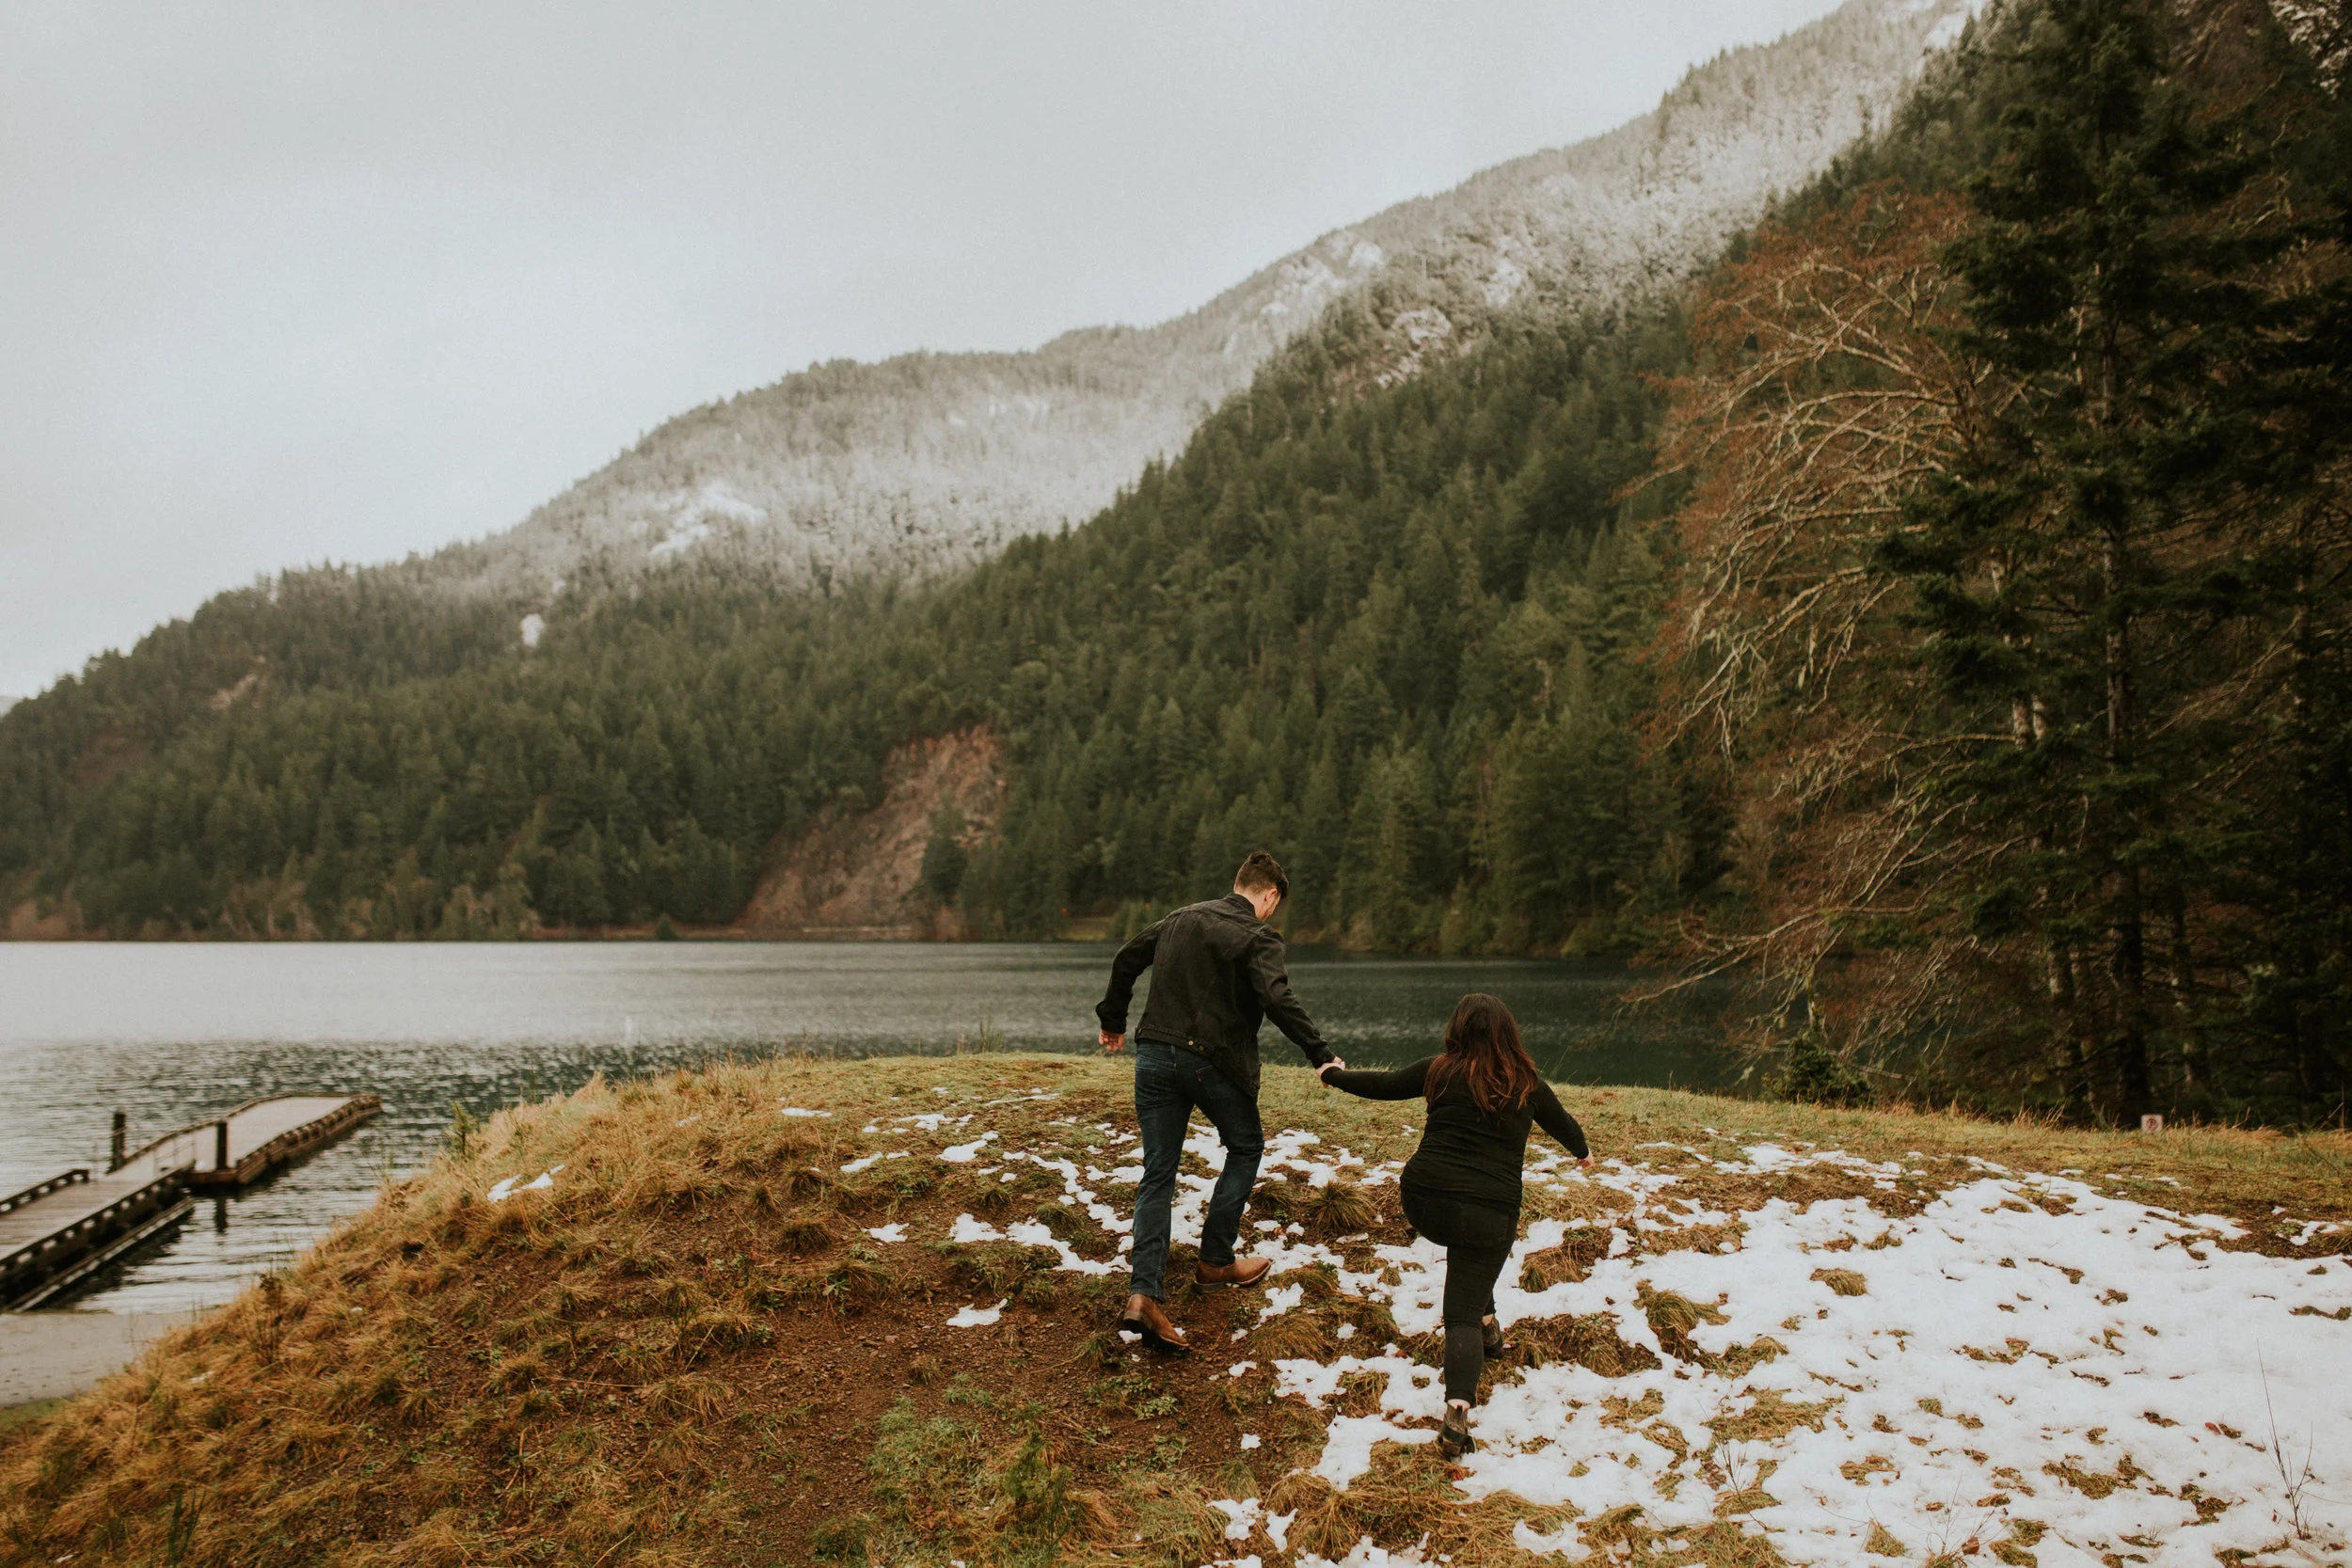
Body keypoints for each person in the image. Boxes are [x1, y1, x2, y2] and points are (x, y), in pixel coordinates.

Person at [1318, 992, 1592, 1456]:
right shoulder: (1527, 1083)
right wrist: (1583, 1152)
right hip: (1488, 1211)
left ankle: (1488, 1324)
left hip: (1424, 1201)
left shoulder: (1439, 1070)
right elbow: (1562, 1123)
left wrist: (1335, 1075)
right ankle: (1457, 1413)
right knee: (1460, 1304)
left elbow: (1382, 1085)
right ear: (1509, 1034)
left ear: (1458, 1030)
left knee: (1469, 1266)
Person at [1096, 850, 1341, 1353]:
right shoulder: (1260, 935)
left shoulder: (1181, 918)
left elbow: (1127, 958)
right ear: (1269, 895)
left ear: (1238, 883)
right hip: (1211, 1063)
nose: (1271, 913)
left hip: (1154, 1055)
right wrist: (1321, 1055)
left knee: (1158, 1174)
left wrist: (1113, 1018)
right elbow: (1276, 998)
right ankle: (1215, 1261)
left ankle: (1143, 1296)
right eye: (1274, 904)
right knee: (1247, 1146)